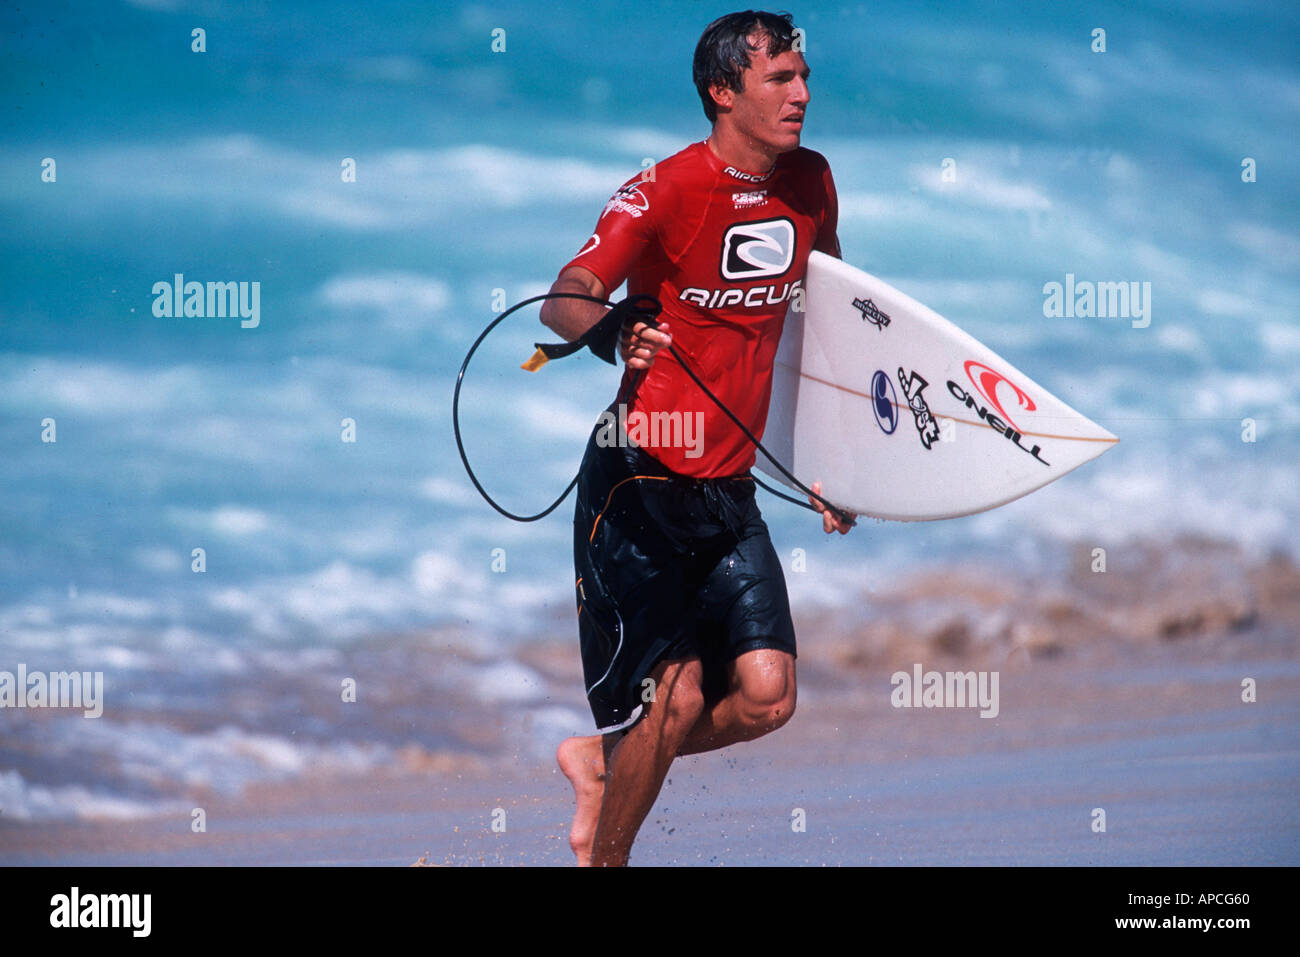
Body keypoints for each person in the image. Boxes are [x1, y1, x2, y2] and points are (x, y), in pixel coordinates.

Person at [539, 9, 855, 867]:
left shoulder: (813, 184)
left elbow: (822, 327)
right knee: (670, 696)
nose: (801, 93)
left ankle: (605, 764)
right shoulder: (666, 189)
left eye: (803, 76)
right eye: (779, 79)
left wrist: (835, 458)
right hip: (639, 480)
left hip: (729, 484)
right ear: (724, 92)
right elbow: (564, 297)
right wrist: (611, 332)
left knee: (767, 695)